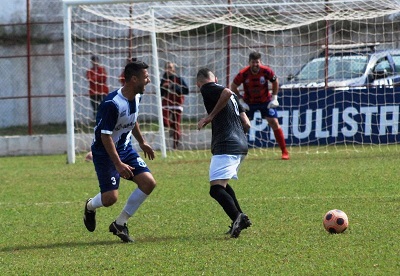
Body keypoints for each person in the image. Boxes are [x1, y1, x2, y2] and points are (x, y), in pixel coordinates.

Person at [83, 59, 156, 243]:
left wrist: (143, 142)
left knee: (148, 183)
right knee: (110, 199)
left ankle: (120, 224)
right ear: (133, 79)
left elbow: (133, 119)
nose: (148, 81)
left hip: (125, 148)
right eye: (145, 77)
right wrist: (118, 164)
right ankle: (90, 206)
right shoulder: (112, 104)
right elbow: (105, 136)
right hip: (105, 153)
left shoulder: (137, 97)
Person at [197, 68, 252, 238]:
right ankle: (240, 218)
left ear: (199, 82)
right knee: (223, 185)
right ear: (216, 77)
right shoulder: (235, 97)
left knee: (216, 190)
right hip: (241, 144)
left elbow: (227, 92)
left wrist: (210, 116)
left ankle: (238, 217)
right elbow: (247, 124)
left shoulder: (208, 88)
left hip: (226, 144)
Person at [231, 51, 290, 160]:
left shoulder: (266, 71)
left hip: (265, 101)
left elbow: (275, 81)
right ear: (249, 62)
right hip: (249, 102)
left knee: (274, 122)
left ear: (260, 62)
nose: (255, 65)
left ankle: (284, 152)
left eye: (257, 62)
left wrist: (274, 97)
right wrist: (241, 101)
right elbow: (233, 86)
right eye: (253, 62)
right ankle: (237, 151)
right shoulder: (243, 73)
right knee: (243, 125)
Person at [160, 61, 189, 149]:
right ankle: (169, 126)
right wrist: (163, 87)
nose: (169, 69)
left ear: (174, 69)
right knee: (164, 121)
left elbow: (186, 91)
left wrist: (172, 86)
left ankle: (175, 146)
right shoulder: (163, 80)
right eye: (167, 67)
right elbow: (160, 93)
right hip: (167, 104)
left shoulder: (178, 79)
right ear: (165, 69)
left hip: (177, 103)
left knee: (176, 125)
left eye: (170, 67)